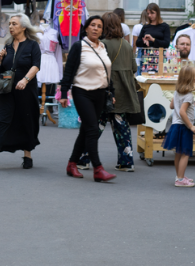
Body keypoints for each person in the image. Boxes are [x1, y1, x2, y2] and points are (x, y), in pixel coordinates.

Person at [78, 12, 140, 172]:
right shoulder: (126, 45)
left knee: (94, 127)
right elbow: (134, 68)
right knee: (122, 128)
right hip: (123, 94)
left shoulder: (101, 45)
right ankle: (127, 162)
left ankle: (83, 159)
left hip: (103, 92)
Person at [0, 14, 41, 170]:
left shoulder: (32, 45)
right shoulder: (7, 45)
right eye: (10, 24)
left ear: (23, 27)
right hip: (8, 90)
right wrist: (1, 60)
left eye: (14, 24)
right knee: (2, 119)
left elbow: (35, 66)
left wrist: (25, 80)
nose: (10, 26)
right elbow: (5, 68)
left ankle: (28, 155)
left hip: (26, 90)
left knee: (26, 120)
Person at [60, 15, 117, 183]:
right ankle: (98, 169)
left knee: (86, 130)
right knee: (92, 129)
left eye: (99, 26)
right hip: (82, 92)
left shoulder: (103, 47)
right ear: (86, 28)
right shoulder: (79, 46)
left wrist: (111, 92)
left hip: (100, 93)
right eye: (93, 25)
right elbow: (68, 71)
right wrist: (64, 94)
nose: (96, 28)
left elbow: (106, 72)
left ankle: (72, 163)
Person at [163, 64, 195, 187]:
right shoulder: (189, 95)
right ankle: (180, 180)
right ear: (191, 79)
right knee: (185, 154)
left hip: (176, 125)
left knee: (178, 153)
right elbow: (182, 112)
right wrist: (191, 126)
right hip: (184, 127)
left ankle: (180, 175)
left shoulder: (177, 92)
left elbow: (172, 106)